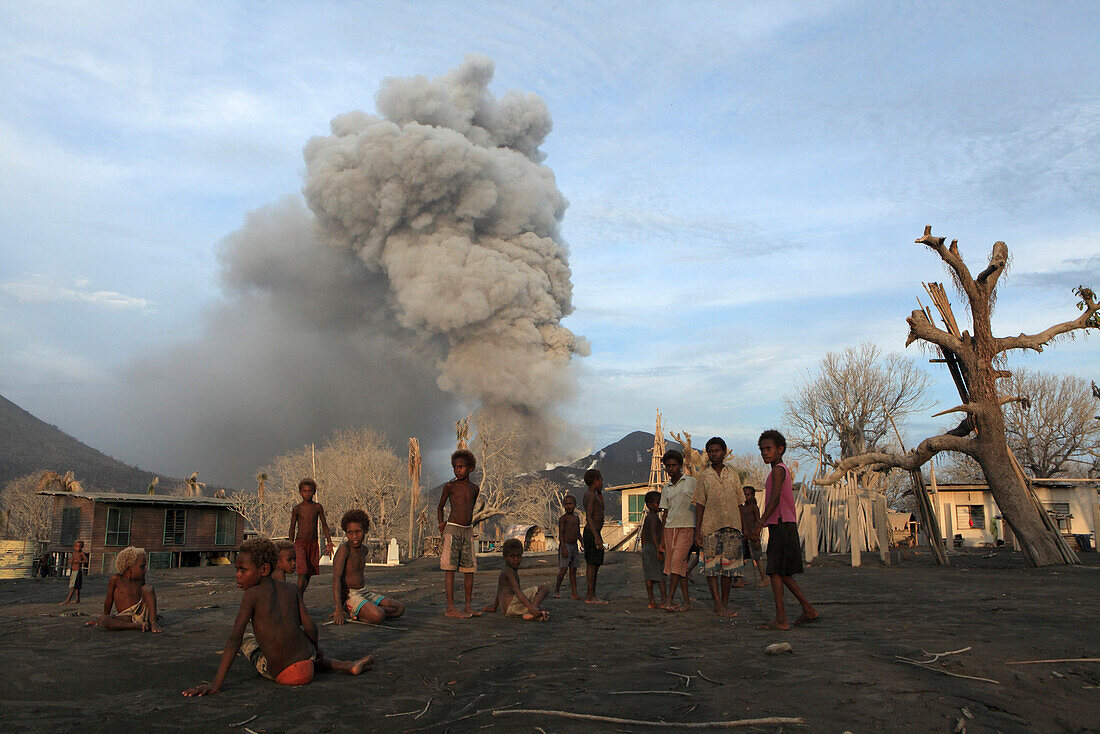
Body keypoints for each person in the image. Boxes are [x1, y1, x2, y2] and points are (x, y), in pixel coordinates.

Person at [182, 538, 374, 696]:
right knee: (297, 642)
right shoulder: (291, 589)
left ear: (264, 569)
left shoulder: (252, 595)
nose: (238, 575)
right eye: (237, 570)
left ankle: (336, 664)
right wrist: (316, 649)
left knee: (247, 642)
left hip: (286, 674)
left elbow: (234, 638)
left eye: (243, 570)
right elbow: (309, 626)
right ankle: (346, 665)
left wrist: (216, 683)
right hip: (308, 660)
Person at [755, 430, 819, 631]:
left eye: (768, 449)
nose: (765, 453)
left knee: (775, 571)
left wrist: (760, 523)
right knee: (782, 573)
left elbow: (774, 500)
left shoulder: (779, 471)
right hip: (783, 526)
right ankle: (808, 609)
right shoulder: (778, 470)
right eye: (762, 449)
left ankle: (781, 618)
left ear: (780, 449)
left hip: (781, 525)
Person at [693, 436, 745, 617]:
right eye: (710, 451)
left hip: (733, 527)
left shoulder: (733, 475)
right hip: (710, 527)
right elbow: (699, 504)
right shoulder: (703, 477)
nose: (714, 454)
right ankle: (717, 603)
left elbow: (740, 503)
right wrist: (697, 530)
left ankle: (724, 603)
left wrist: (743, 528)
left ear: (724, 452)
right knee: (711, 568)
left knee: (728, 569)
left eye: (717, 450)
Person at [332, 508, 406, 625]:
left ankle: (363, 612)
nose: (354, 536)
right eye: (350, 533)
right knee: (378, 615)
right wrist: (338, 609)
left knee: (400, 608)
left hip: (363, 592)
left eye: (358, 532)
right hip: (350, 595)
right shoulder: (344, 549)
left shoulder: (364, 550)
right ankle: (351, 609)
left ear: (365, 531)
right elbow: (336, 578)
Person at [437, 449, 481, 618]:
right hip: (452, 530)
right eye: (455, 467)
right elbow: (440, 506)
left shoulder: (474, 489)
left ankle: (468, 605)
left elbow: (470, 507)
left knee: (469, 569)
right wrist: (441, 522)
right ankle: (450, 607)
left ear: (470, 468)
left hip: (467, 531)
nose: (457, 470)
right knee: (450, 569)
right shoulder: (450, 487)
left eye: (461, 467)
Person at [88, 546, 162, 632]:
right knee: (104, 620)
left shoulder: (140, 580)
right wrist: (106, 615)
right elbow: (109, 599)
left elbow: (147, 598)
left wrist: (153, 614)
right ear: (129, 569)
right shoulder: (116, 579)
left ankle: (153, 622)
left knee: (148, 589)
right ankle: (136, 626)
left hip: (141, 612)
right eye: (142, 567)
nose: (145, 570)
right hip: (126, 617)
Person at [659, 450, 696, 612]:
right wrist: (661, 540)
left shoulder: (691, 482)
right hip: (669, 528)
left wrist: (699, 530)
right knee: (679, 566)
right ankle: (687, 602)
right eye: (668, 466)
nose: (671, 468)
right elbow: (665, 512)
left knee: (676, 563)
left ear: (680, 466)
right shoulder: (666, 488)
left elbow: (700, 505)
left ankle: (669, 599)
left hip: (687, 527)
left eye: (674, 465)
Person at [288, 478, 335, 596]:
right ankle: (297, 599)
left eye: (310, 491)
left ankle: (299, 596)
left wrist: (329, 541)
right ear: (300, 492)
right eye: (304, 491)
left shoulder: (317, 507)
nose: (307, 493)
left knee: (309, 573)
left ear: (314, 492)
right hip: (300, 543)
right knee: (302, 572)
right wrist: (290, 544)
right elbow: (292, 527)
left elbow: (324, 524)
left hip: (313, 543)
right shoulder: (297, 509)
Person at [483, 539, 549, 621]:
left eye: (518, 556)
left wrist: (494, 607)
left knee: (541, 608)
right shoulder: (508, 571)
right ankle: (532, 611)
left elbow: (499, 589)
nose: (516, 559)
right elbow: (517, 591)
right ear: (505, 557)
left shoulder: (507, 570)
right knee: (544, 588)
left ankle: (531, 614)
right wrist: (532, 607)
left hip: (508, 610)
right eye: (512, 556)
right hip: (512, 605)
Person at [581, 468, 608, 604]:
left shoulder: (595, 494)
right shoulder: (590, 495)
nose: (602, 482)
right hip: (592, 532)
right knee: (592, 564)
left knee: (596, 564)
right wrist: (596, 536)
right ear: (596, 480)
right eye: (601, 480)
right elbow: (589, 517)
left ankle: (592, 593)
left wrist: (600, 492)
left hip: (595, 532)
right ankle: (590, 595)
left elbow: (602, 508)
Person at [640, 490, 667, 609]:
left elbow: (643, 535)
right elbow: (654, 535)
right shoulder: (654, 518)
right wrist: (659, 550)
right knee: (661, 577)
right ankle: (664, 600)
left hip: (646, 548)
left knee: (649, 576)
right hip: (653, 548)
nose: (660, 505)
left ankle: (651, 601)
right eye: (658, 503)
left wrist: (643, 548)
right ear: (650, 504)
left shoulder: (647, 518)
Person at [554, 495, 582, 599]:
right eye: (566, 504)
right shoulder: (563, 519)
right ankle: (556, 590)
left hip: (574, 545)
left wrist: (582, 542)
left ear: (574, 505)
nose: (568, 506)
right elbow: (561, 533)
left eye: (570, 504)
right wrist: (563, 548)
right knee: (563, 569)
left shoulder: (576, 518)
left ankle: (574, 593)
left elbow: (577, 532)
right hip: (565, 545)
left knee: (573, 570)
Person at [739, 486, 767, 584]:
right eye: (744, 495)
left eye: (748, 495)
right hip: (744, 537)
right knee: (741, 559)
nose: (746, 497)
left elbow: (757, 521)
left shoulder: (754, 508)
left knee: (757, 558)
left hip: (753, 536)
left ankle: (764, 578)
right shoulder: (741, 508)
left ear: (753, 496)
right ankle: (739, 579)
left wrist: (756, 536)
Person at [60, 540, 87, 604]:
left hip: (77, 571)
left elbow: (86, 561)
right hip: (73, 570)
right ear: (74, 547)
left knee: (74, 586)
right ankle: (77, 599)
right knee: (77, 587)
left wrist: (79, 561)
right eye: (77, 547)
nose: (78, 548)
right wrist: (72, 560)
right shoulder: (74, 553)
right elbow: (70, 561)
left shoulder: (82, 553)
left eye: (80, 547)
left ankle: (68, 600)